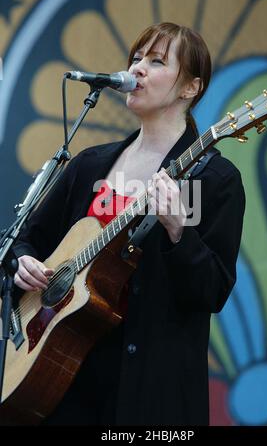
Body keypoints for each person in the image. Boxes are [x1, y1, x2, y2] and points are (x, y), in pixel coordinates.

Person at [13, 22, 245, 426]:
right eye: (136, 58)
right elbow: (24, 240)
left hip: (147, 389)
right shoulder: (89, 165)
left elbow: (211, 292)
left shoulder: (207, 179)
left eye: (156, 62)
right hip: (63, 377)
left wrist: (178, 230)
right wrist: (22, 263)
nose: (137, 68)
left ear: (191, 88)